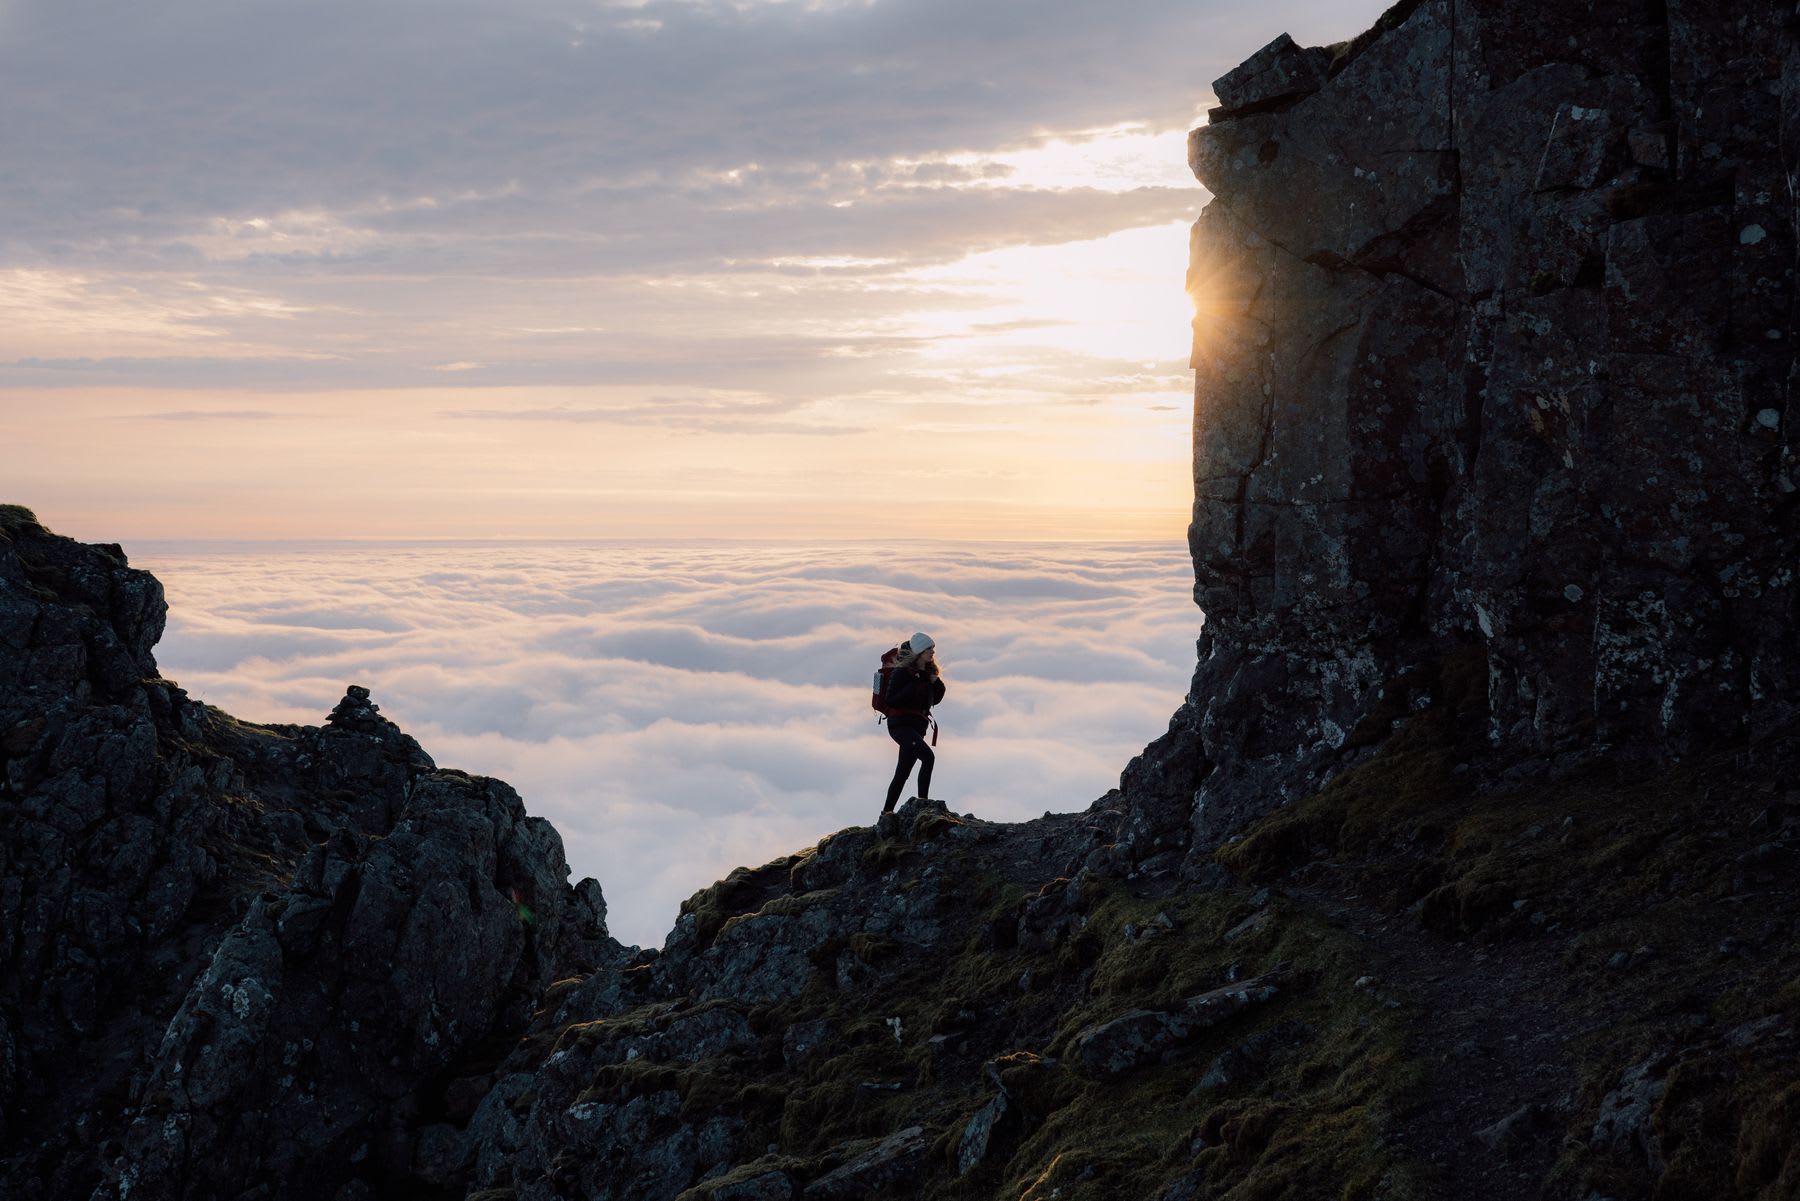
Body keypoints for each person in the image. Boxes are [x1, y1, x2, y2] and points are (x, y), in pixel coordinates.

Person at [882, 631, 946, 815]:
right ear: (919, 652)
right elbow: (891, 700)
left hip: (917, 728)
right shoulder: (902, 672)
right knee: (928, 757)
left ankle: (886, 813)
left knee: (902, 772)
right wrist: (915, 682)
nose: (933, 652)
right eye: (929, 649)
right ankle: (923, 807)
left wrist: (934, 682)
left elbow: (937, 698)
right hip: (900, 726)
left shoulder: (928, 672)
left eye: (933, 648)